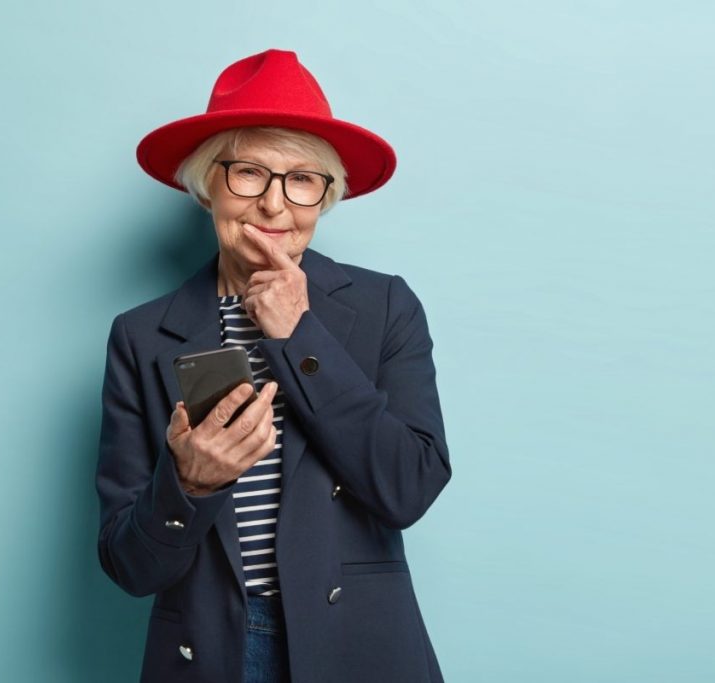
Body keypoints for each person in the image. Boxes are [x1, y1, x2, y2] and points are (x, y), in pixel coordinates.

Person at [96, 49, 452, 683]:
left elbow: (409, 487)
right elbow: (129, 567)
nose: (274, 205)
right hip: (214, 650)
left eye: (302, 179)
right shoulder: (141, 336)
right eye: (249, 174)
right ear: (208, 185)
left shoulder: (382, 308)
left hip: (357, 643)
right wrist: (191, 482)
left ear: (325, 197)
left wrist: (299, 336)